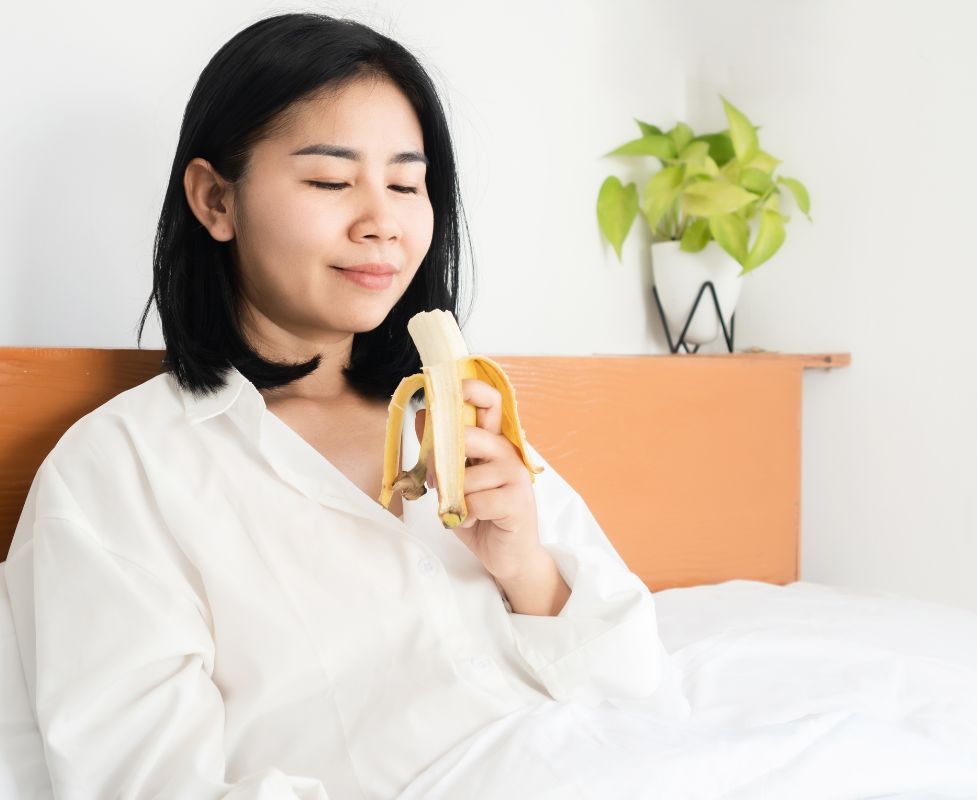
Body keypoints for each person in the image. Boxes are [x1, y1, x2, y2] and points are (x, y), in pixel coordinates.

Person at [4, 13, 688, 799]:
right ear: (214, 200)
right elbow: (150, 782)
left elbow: (650, 699)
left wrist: (529, 572)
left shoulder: (465, 422)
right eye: (331, 181)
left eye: (406, 184)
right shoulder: (120, 473)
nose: (384, 223)